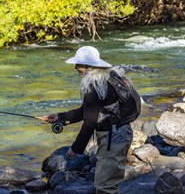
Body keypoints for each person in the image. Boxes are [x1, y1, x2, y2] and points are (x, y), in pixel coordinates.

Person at [41, 46, 133, 194]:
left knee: (105, 187)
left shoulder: (94, 86)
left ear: (90, 67)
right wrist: (59, 117)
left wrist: (75, 148)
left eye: (79, 64)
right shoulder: (105, 79)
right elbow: (85, 111)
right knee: (108, 184)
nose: (76, 68)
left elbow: (89, 122)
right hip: (120, 133)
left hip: (113, 138)